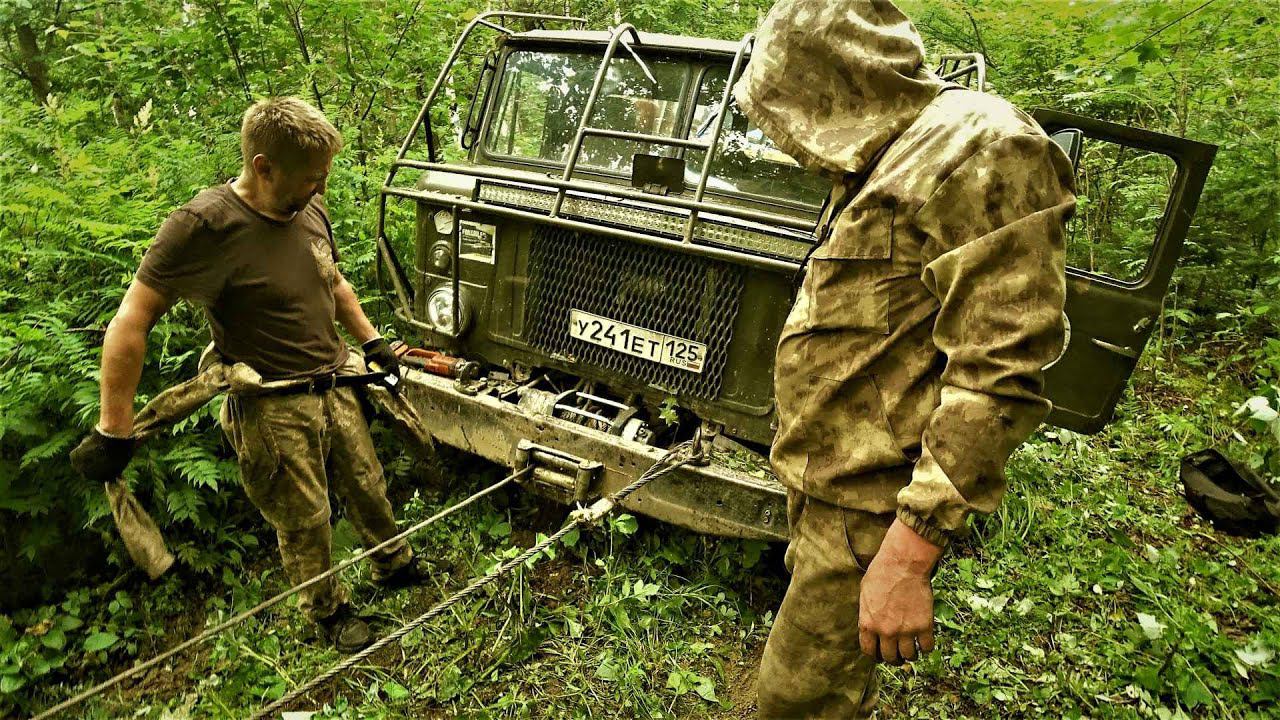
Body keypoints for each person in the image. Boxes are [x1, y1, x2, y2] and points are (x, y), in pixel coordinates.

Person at [733, 1, 1076, 716]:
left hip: (872, 505)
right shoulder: (886, 151)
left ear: (835, 75)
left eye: (790, 101)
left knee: (796, 702)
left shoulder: (980, 147)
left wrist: (910, 550)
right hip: (827, 484)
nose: (790, 135)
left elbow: (998, 373)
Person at [70, 97, 427, 652]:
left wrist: (371, 340)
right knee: (305, 518)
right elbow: (131, 321)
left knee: (368, 485)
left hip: (335, 383)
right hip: (274, 405)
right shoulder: (205, 226)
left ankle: (393, 564)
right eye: (311, 178)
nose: (321, 189)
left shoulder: (308, 207)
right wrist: (114, 427)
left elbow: (331, 282)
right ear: (263, 167)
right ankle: (328, 612)